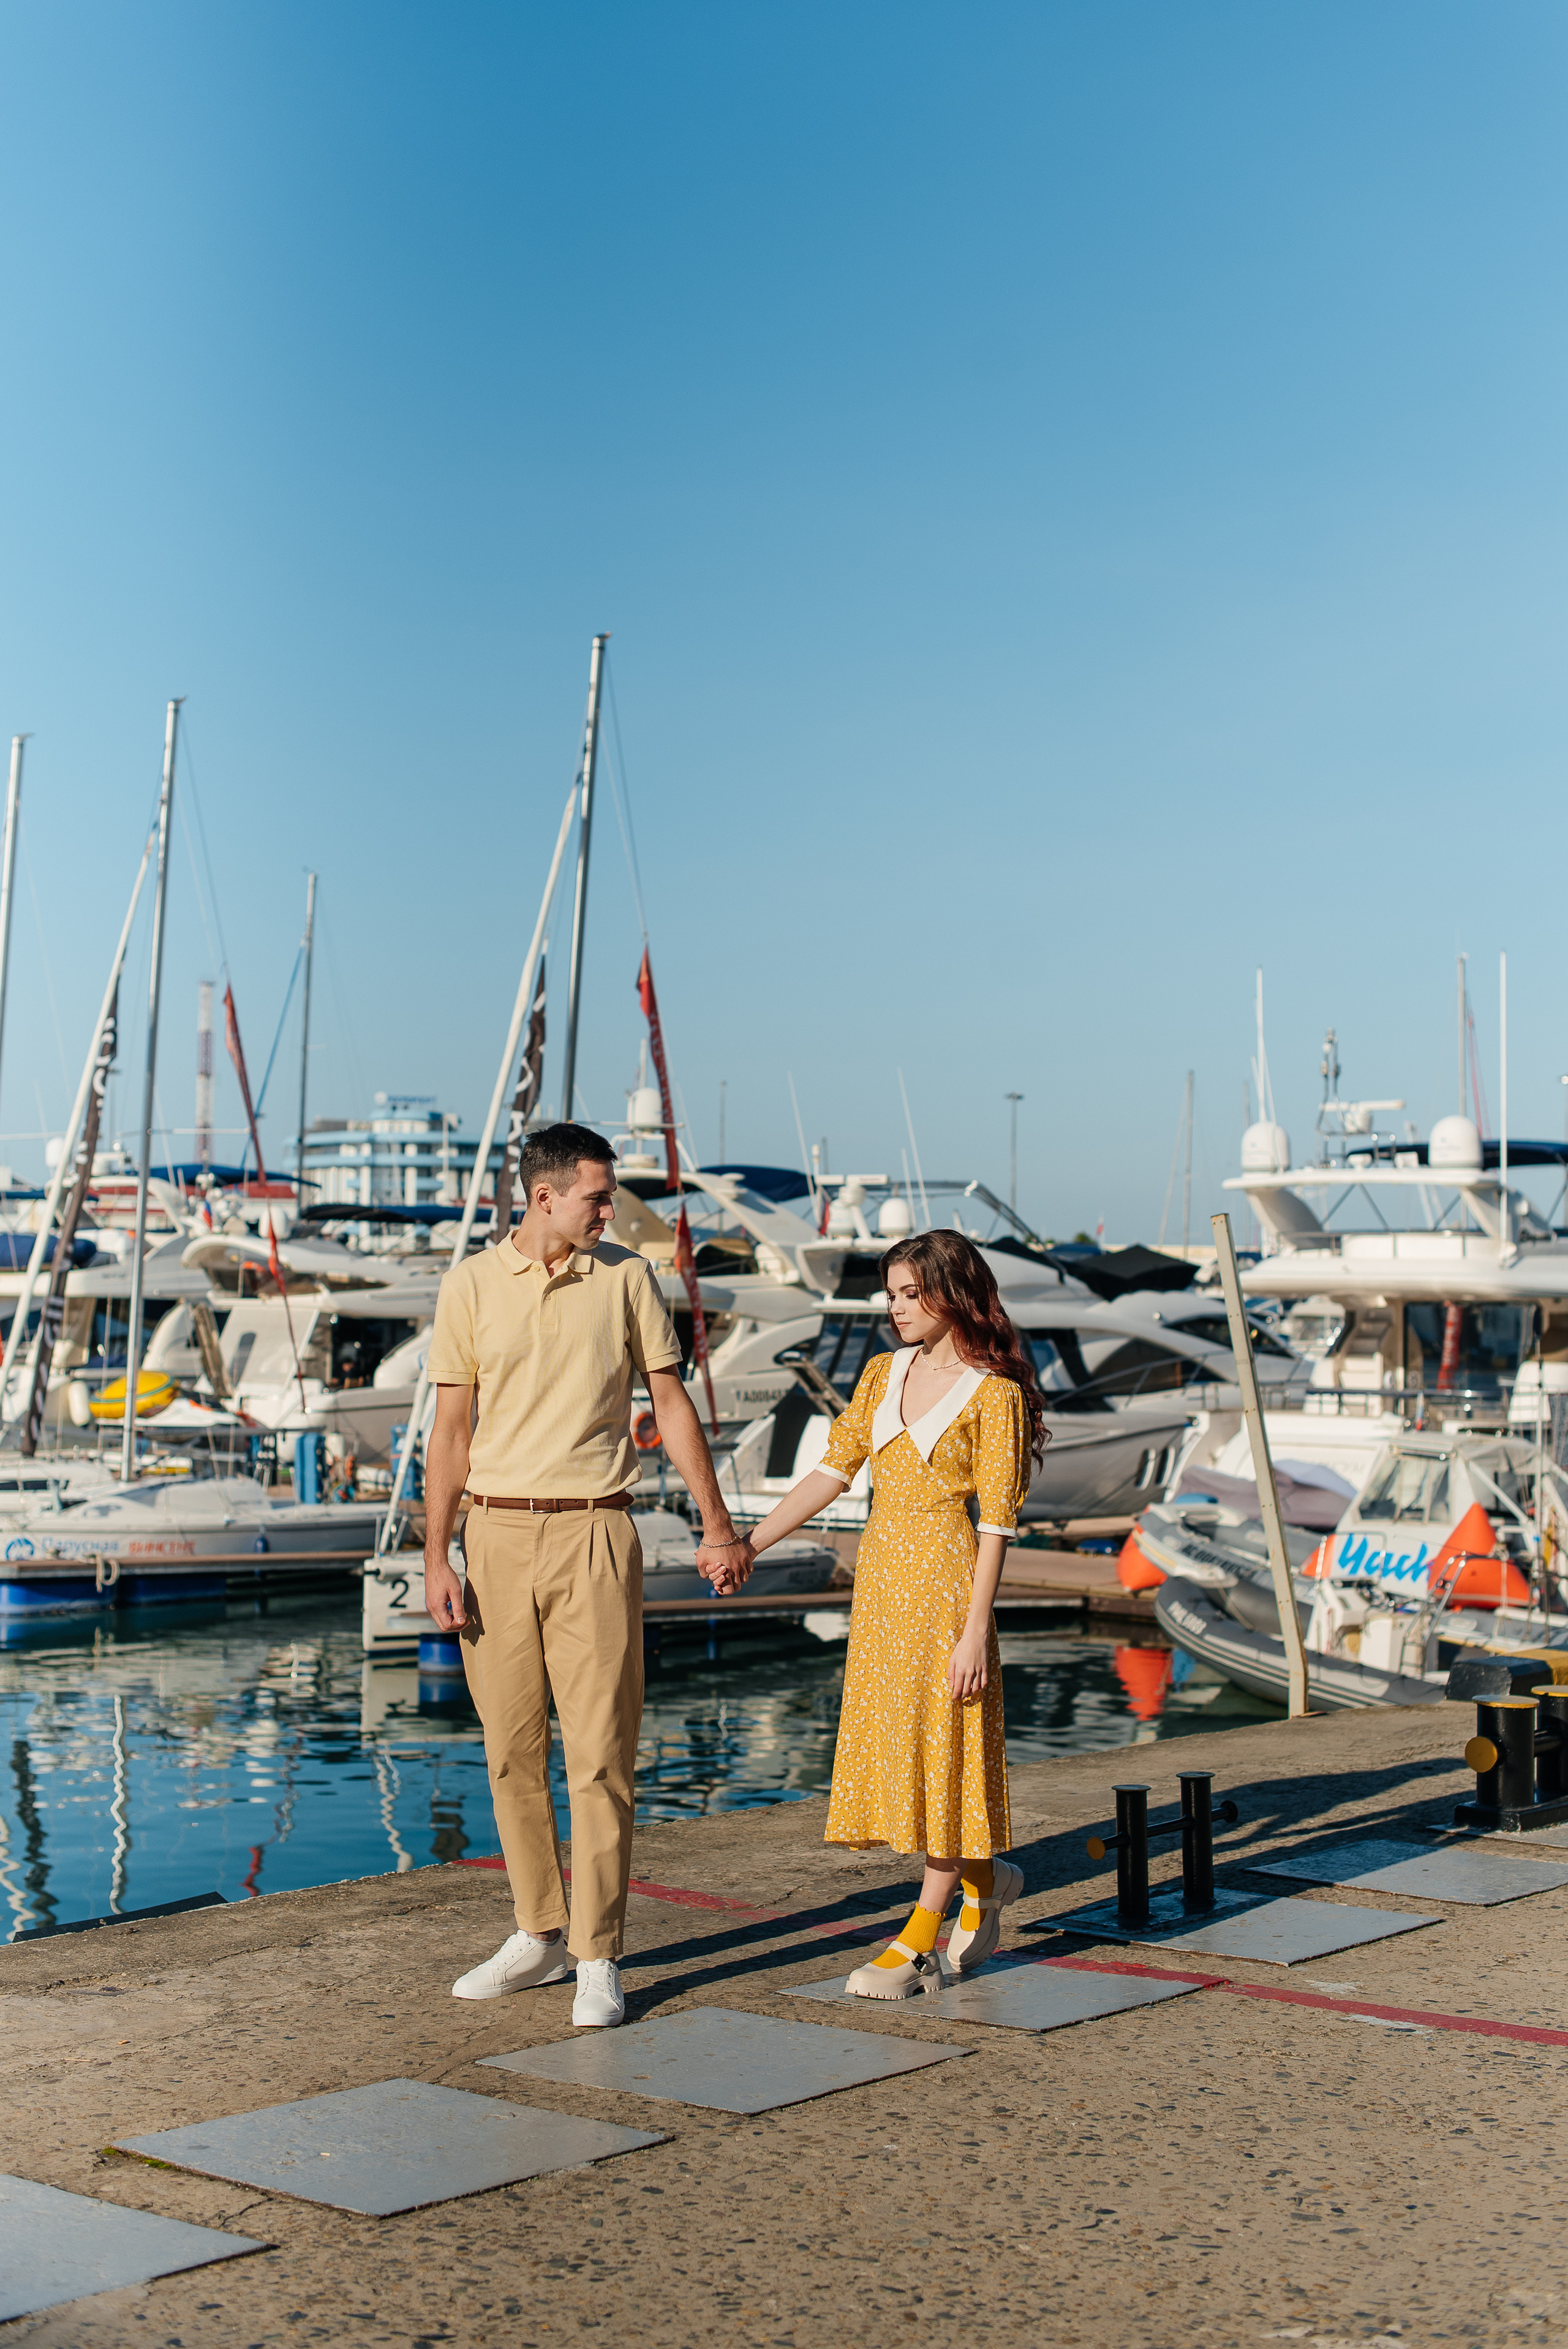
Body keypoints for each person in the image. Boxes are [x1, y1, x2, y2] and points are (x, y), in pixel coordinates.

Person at [423, 1122, 750, 2027]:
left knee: (601, 1753)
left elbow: (671, 1405)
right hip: (494, 1535)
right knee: (510, 1749)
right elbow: (450, 1432)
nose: (610, 1211)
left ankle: (598, 1953)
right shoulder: (471, 1284)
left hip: (598, 1531)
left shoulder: (627, 1278)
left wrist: (717, 1523)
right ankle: (537, 1932)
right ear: (545, 1196)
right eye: (597, 1197)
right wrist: (436, 1553)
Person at [738, 1230, 1047, 1997]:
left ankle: (918, 1939)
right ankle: (985, 1878)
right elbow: (831, 1470)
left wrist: (974, 1631)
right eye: (892, 1294)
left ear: (954, 1293)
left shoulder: (995, 1394)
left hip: (947, 1589)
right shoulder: (882, 1372)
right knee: (908, 1752)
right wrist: (750, 1544)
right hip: (880, 1588)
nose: (897, 1308)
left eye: (912, 1293)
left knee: (945, 1752)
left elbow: (996, 1524)